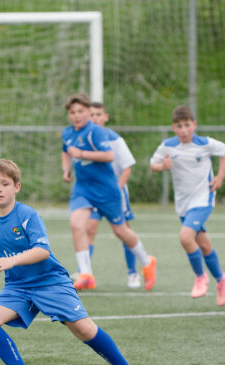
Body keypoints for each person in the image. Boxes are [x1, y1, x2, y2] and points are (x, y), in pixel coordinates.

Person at [0, 159, 143, 365]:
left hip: (50, 282)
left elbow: (42, 251)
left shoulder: (27, 214)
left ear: (17, 187)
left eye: (5, 184)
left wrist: (12, 260)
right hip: (18, 287)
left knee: (83, 329)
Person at [61, 93, 156, 291]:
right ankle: (86, 274)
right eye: (73, 112)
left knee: (120, 230)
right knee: (77, 224)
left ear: (88, 112)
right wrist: (66, 169)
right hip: (83, 189)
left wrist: (81, 154)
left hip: (106, 190)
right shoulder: (67, 133)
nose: (77, 115)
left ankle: (147, 262)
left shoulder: (95, 131)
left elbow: (108, 155)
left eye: (80, 111)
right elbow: (65, 150)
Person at [149, 105, 225, 306]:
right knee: (204, 244)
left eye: (187, 125)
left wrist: (220, 176)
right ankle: (221, 279)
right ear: (173, 127)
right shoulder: (168, 145)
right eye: (179, 126)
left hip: (203, 198)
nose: (184, 130)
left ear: (194, 124)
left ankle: (201, 277)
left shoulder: (204, 143)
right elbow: (153, 164)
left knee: (186, 237)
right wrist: (163, 166)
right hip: (183, 203)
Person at [77, 102, 141, 288]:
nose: (95, 118)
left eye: (98, 114)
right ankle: (84, 273)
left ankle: (133, 272)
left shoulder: (115, 139)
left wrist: (116, 189)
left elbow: (127, 168)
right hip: (94, 194)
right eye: (92, 114)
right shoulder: (84, 139)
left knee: (123, 231)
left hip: (115, 194)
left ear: (106, 117)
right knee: (89, 228)